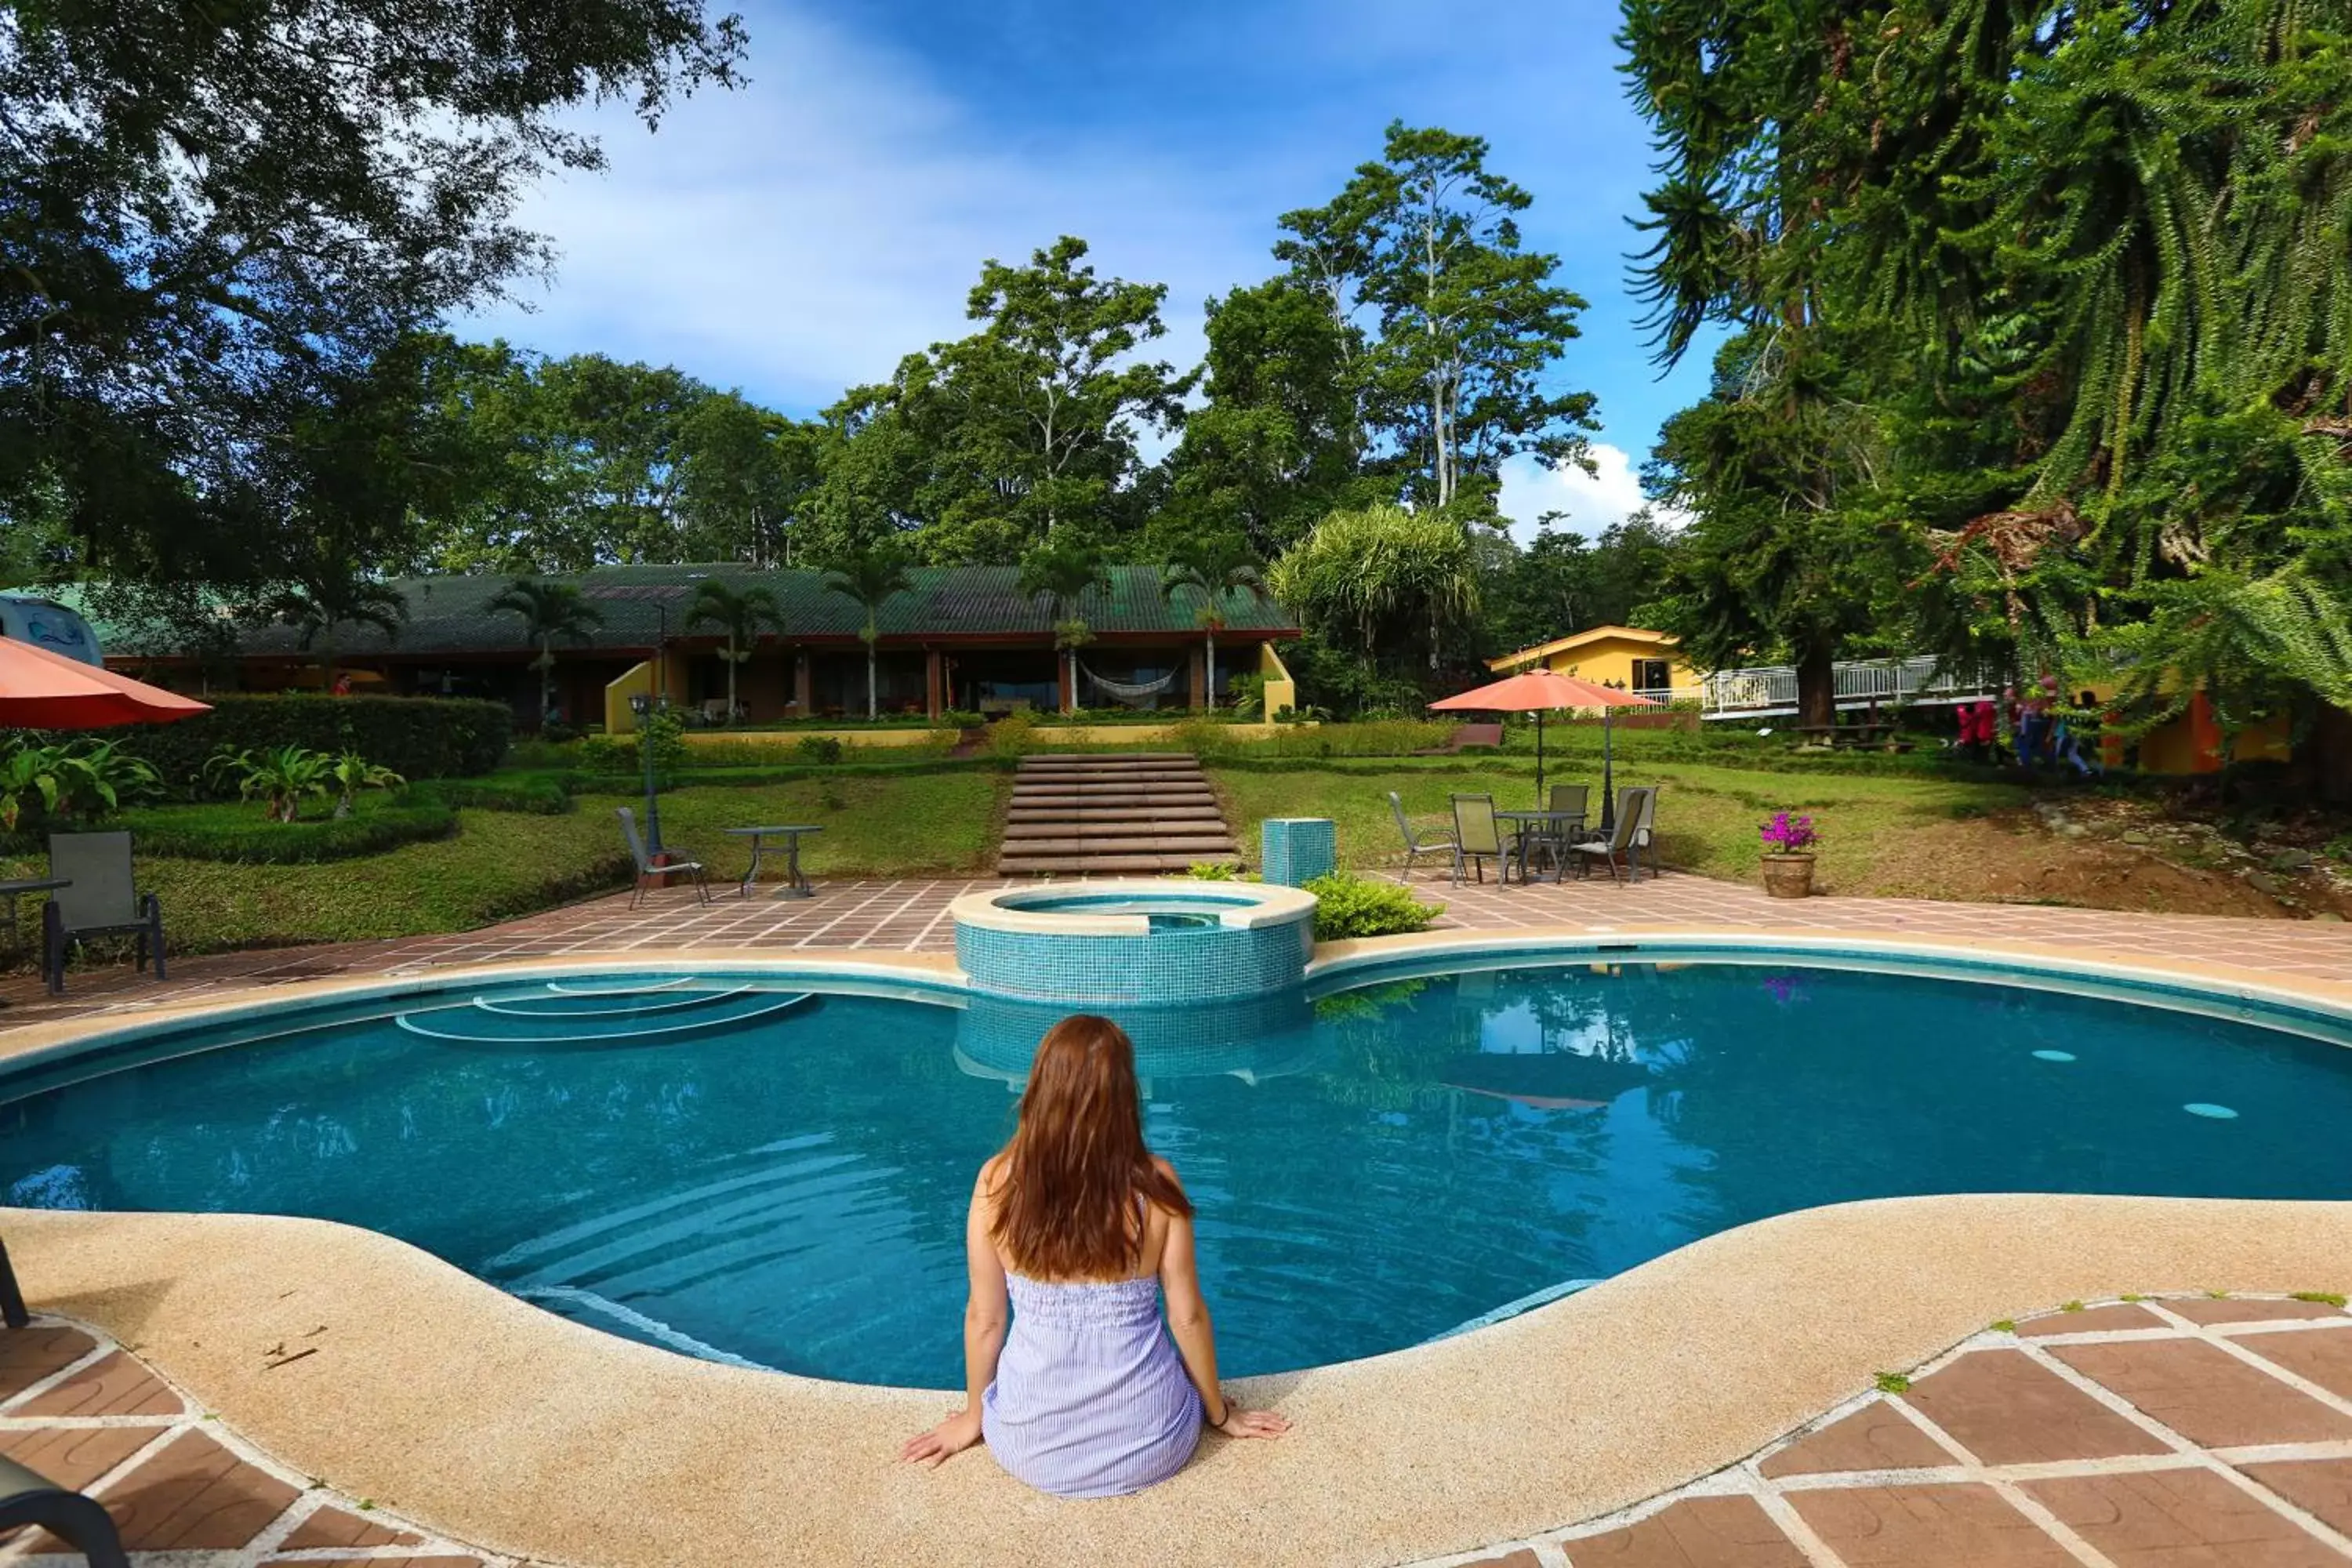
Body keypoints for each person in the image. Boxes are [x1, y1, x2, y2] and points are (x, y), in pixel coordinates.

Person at [900, 1015, 1288, 1495]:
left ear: (1040, 1087)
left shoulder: (997, 1183)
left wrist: (974, 1417)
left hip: (1031, 1447)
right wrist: (1221, 1412)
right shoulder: (1157, 1185)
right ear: (1126, 1096)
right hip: (1153, 1440)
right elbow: (1186, 1317)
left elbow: (985, 1318)